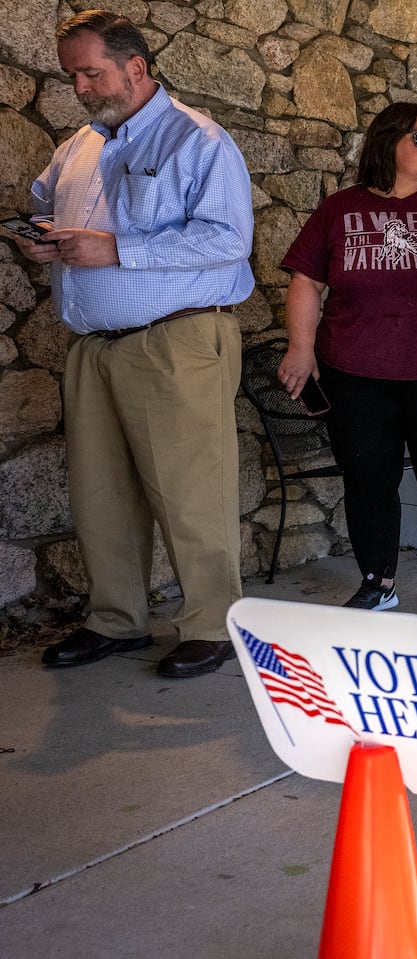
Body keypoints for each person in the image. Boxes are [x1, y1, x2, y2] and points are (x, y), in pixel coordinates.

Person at [19, 10, 253, 678]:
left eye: (91, 72)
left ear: (136, 68)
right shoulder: (76, 149)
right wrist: (39, 237)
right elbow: (45, 206)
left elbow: (227, 239)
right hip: (94, 346)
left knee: (190, 491)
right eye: (72, 76)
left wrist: (116, 247)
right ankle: (116, 620)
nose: (81, 87)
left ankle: (212, 624)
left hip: (174, 342)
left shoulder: (198, 140)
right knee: (101, 495)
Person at [278, 102, 417, 620]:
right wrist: (300, 348)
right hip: (356, 375)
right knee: (369, 479)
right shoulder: (338, 210)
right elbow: (305, 280)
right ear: (387, 141)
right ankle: (378, 582)